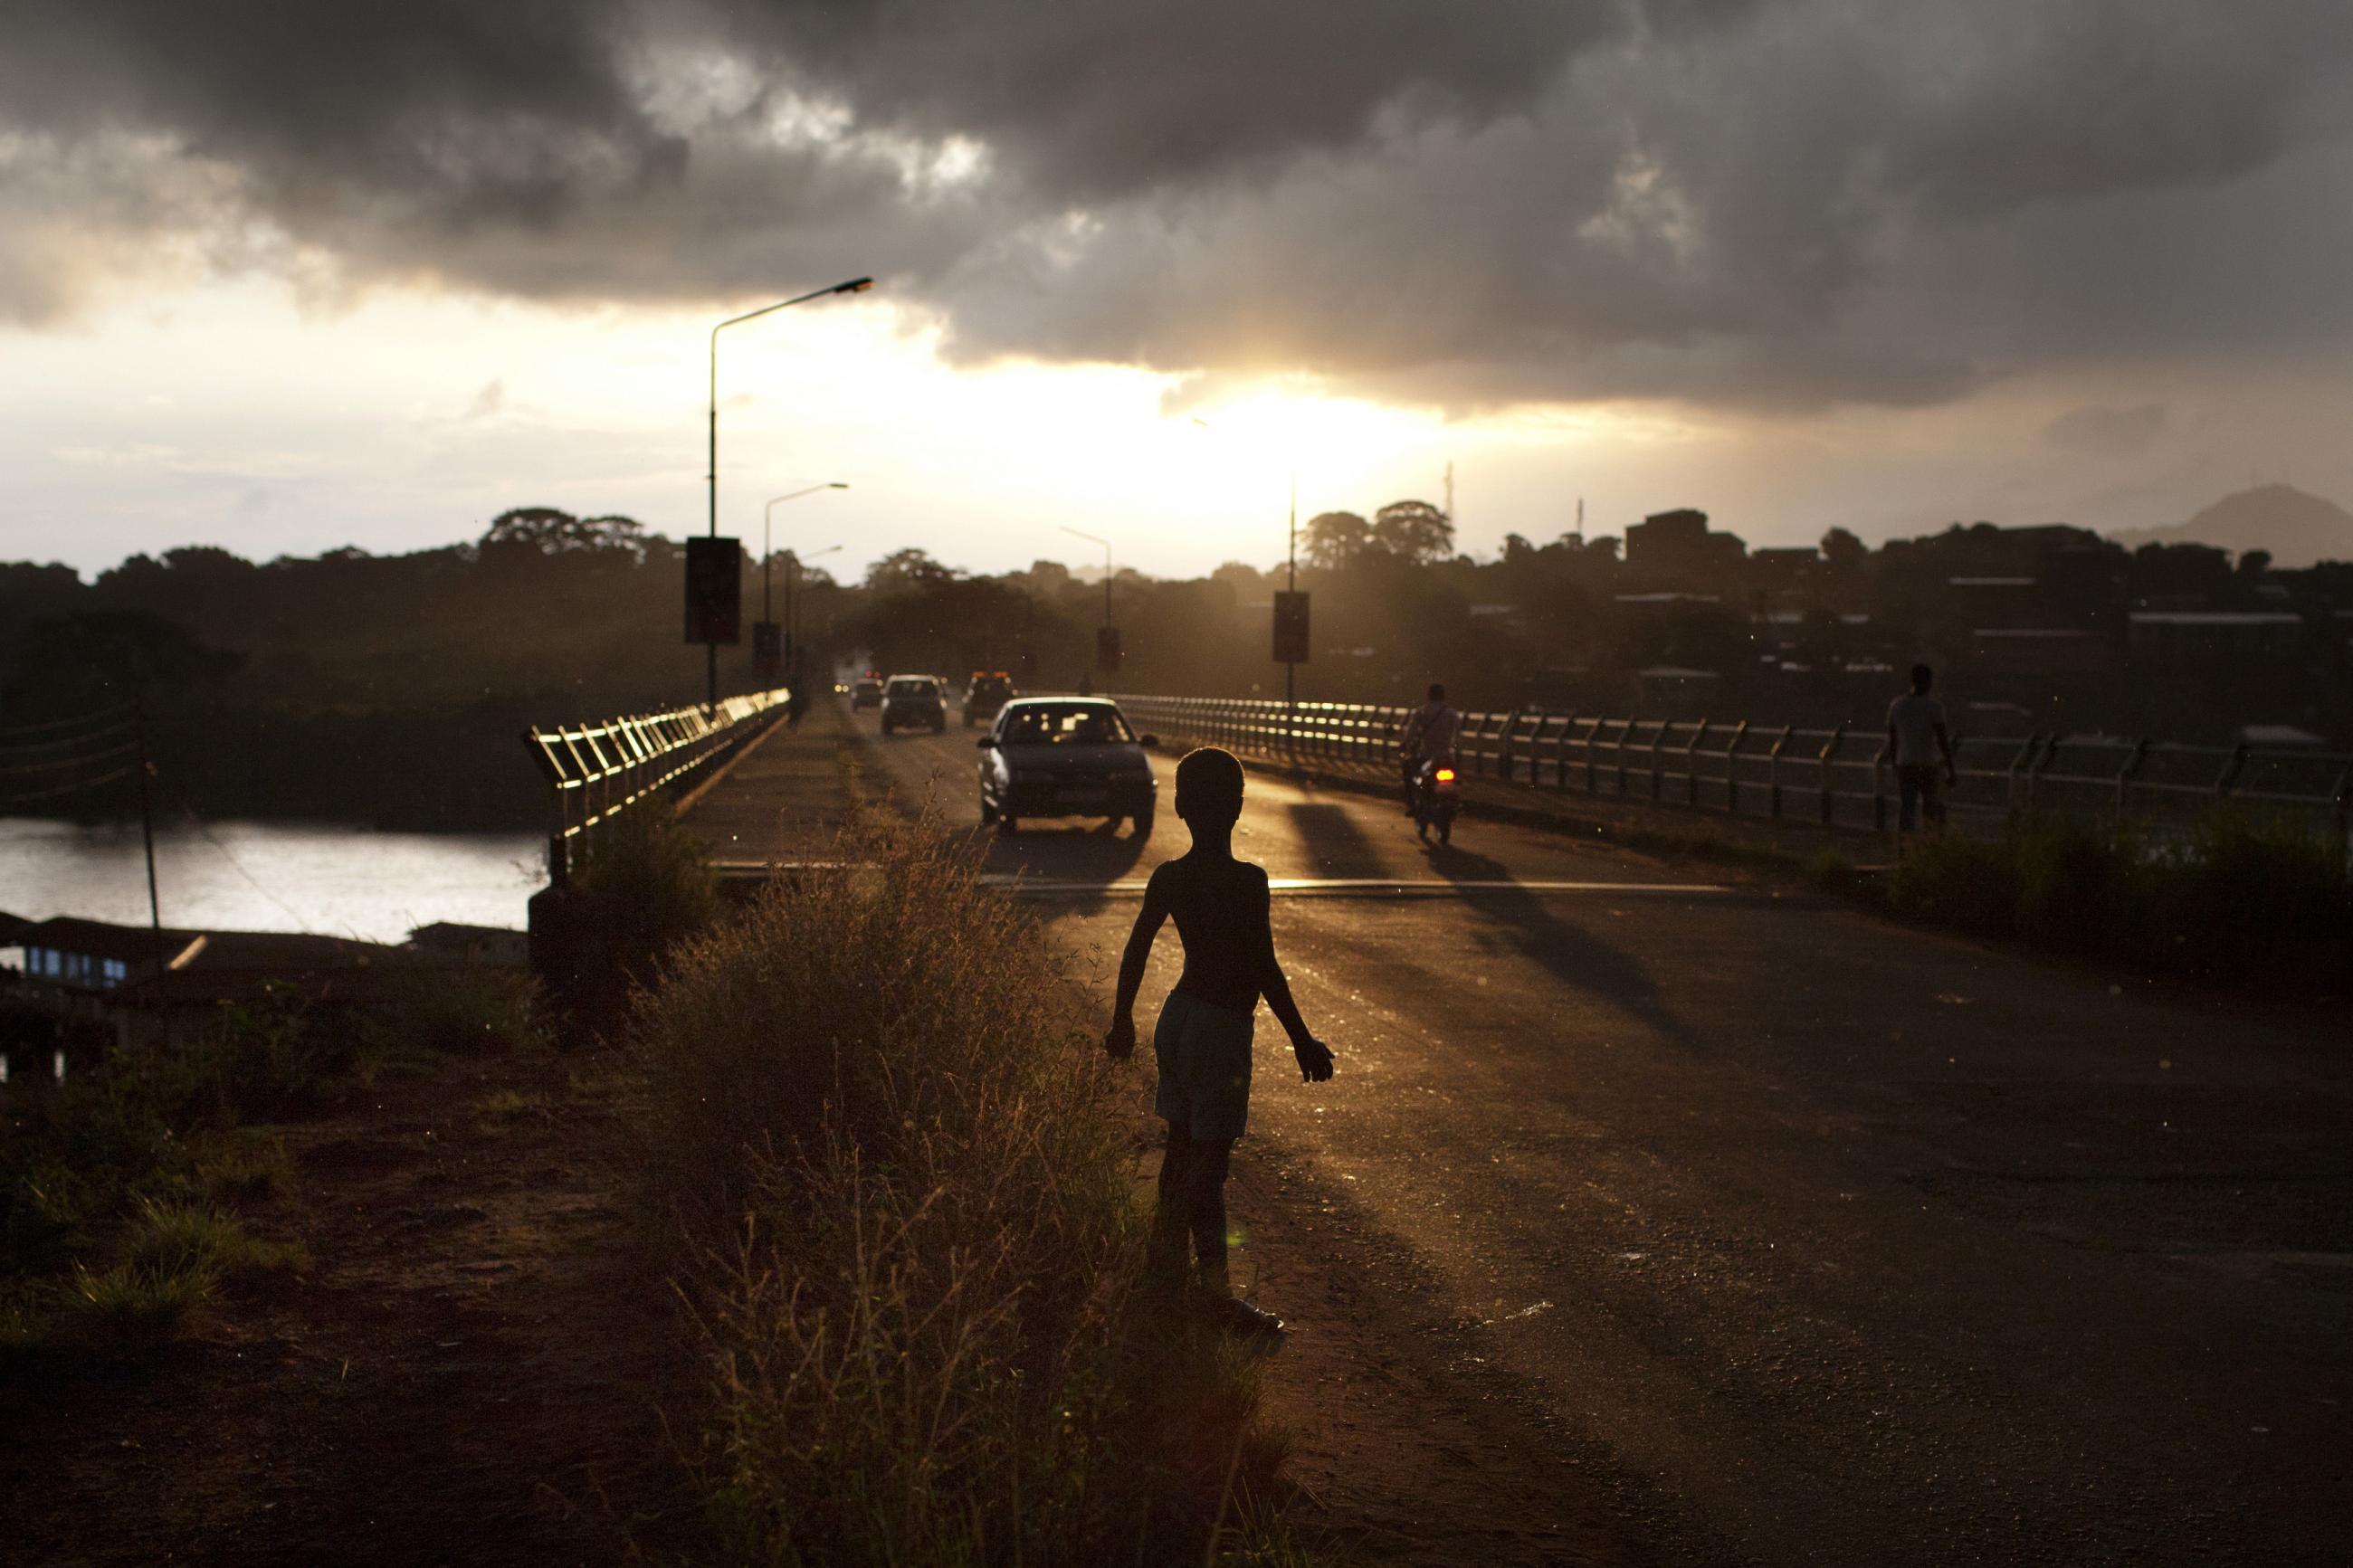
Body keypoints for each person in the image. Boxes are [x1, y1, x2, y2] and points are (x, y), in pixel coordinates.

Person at [1106, 747, 1335, 1335]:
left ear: (1180, 807)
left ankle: (1162, 1274)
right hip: (1221, 1031)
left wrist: (1123, 1018)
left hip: (1177, 1020)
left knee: (1179, 1152)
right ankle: (1215, 1299)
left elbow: (1135, 949)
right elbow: (1264, 966)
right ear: (1237, 807)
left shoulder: (1170, 876)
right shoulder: (1247, 882)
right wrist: (1301, 1038)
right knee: (1210, 1167)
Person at [1887, 662, 1957, 833]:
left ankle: (1904, 850)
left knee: (1907, 809)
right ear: (1928, 681)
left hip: (1905, 763)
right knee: (1930, 809)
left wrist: (1894, 764)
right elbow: (1942, 741)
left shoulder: (1897, 706)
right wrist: (1951, 769)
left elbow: (1893, 739)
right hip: (1928, 764)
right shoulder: (1934, 707)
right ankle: (1928, 849)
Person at [1397, 681, 1463, 815]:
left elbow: (1411, 733)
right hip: (1446, 755)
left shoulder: (1422, 711)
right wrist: (1457, 751)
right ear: (1444, 696)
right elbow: (1458, 735)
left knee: (1409, 770)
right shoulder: (1451, 713)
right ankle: (1457, 803)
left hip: (1426, 754)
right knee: (1457, 778)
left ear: (1429, 695)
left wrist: (1404, 744)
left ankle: (1412, 804)